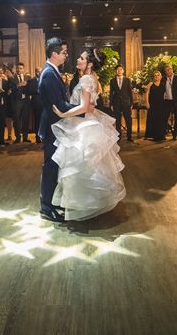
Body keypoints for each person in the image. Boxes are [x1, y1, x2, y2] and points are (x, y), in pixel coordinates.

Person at [52, 48, 126, 221]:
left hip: (83, 123)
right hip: (88, 120)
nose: (78, 59)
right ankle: (92, 202)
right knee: (89, 165)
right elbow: (91, 105)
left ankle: (83, 204)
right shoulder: (93, 78)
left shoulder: (86, 78)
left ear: (90, 64)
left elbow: (85, 107)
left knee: (80, 165)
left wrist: (63, 114)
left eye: (81, 57)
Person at [38, 38, 75, 222]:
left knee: (55, 165)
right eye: (64, 52)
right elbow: (58, 105)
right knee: (51, 167)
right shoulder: (48, 74)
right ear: (54, 53)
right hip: (52, 127)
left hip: (55, 126)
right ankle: (46, 206)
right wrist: (82, 110)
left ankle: (50, 200)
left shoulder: (52, 72)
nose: (66, 56)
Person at [110, 64, 133, 141]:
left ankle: (129, 136)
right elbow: (111, 93)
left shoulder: (127, 80)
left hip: (126, 103)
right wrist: (111, 104)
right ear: (116, 71)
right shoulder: (112, 81)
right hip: (116, 103)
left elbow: (130, 92)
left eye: (120, 69)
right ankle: (118, 136)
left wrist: (131, 103)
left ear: (123, 71)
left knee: (128, 119)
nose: (119, 71)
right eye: (117, 69)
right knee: (118, 120)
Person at [162, 64, 177, 140]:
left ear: (172, 70)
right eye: (167, 70)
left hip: (176, 101)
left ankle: (176, 133)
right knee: (164, 117)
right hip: (166, 101)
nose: (168, 71)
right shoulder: (163, 79)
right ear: (165, 72)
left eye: (170, 69)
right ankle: (168, 129)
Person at [12, 62, 31, 143]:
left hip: (26, 101)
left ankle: (25, 137)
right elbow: (11, 89)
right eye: (17, 68)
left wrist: (27, 85)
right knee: (17, 120)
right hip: (17, 101)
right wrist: (18, 85)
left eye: (20, 68)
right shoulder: (13, 78)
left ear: (23, 69)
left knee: (25, 119)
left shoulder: (28, 77)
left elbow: (31, 88)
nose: (19, 70)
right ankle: (18, 137)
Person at [145, 70, 167, 142]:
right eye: (155, 75)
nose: (157, 77)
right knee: (153, 119)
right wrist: (147, 103)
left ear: (160, 76)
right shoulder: (151, 84)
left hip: (161, 104)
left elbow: (166, 94)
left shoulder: (163, 84)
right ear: (154, 77)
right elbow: (147, 94)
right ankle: (153, 135)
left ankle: (161, 135)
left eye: (158, 75)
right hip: (153, 104)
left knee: (161, 120)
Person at [27, 67, 43, 143]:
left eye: (40, 71)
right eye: (38, 72)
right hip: (36, 104)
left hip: (45, 104)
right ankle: (38, 137)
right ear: (35, 72)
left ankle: (43, 136)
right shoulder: (31, 81)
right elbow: (29, 91)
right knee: (38, 121)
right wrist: (36, 90)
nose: (39, 73)